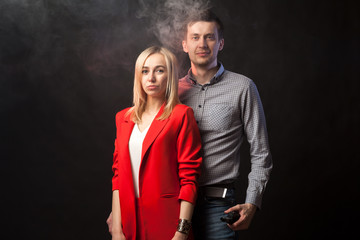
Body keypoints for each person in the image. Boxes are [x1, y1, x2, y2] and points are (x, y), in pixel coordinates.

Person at [178, 10, 273, 239]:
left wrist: (252, 202)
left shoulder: (243, 87)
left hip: (218, 205)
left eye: (209, 37)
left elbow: (261, 153)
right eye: (195, 37)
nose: (202, 43)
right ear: (184, 44)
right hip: (174, 200)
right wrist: (122, 210)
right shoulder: (171, 90)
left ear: (220, 43)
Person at [110, 46, 202, 240]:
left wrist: (182, 231)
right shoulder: (123, 118)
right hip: (129, 222)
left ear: (170, 76)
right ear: (139, 76)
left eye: (159, 70)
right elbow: (117, 176)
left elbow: (189, 178)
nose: (151, 77)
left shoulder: (181, 115)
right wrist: (117, 230)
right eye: (145, 71)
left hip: (167, 222)